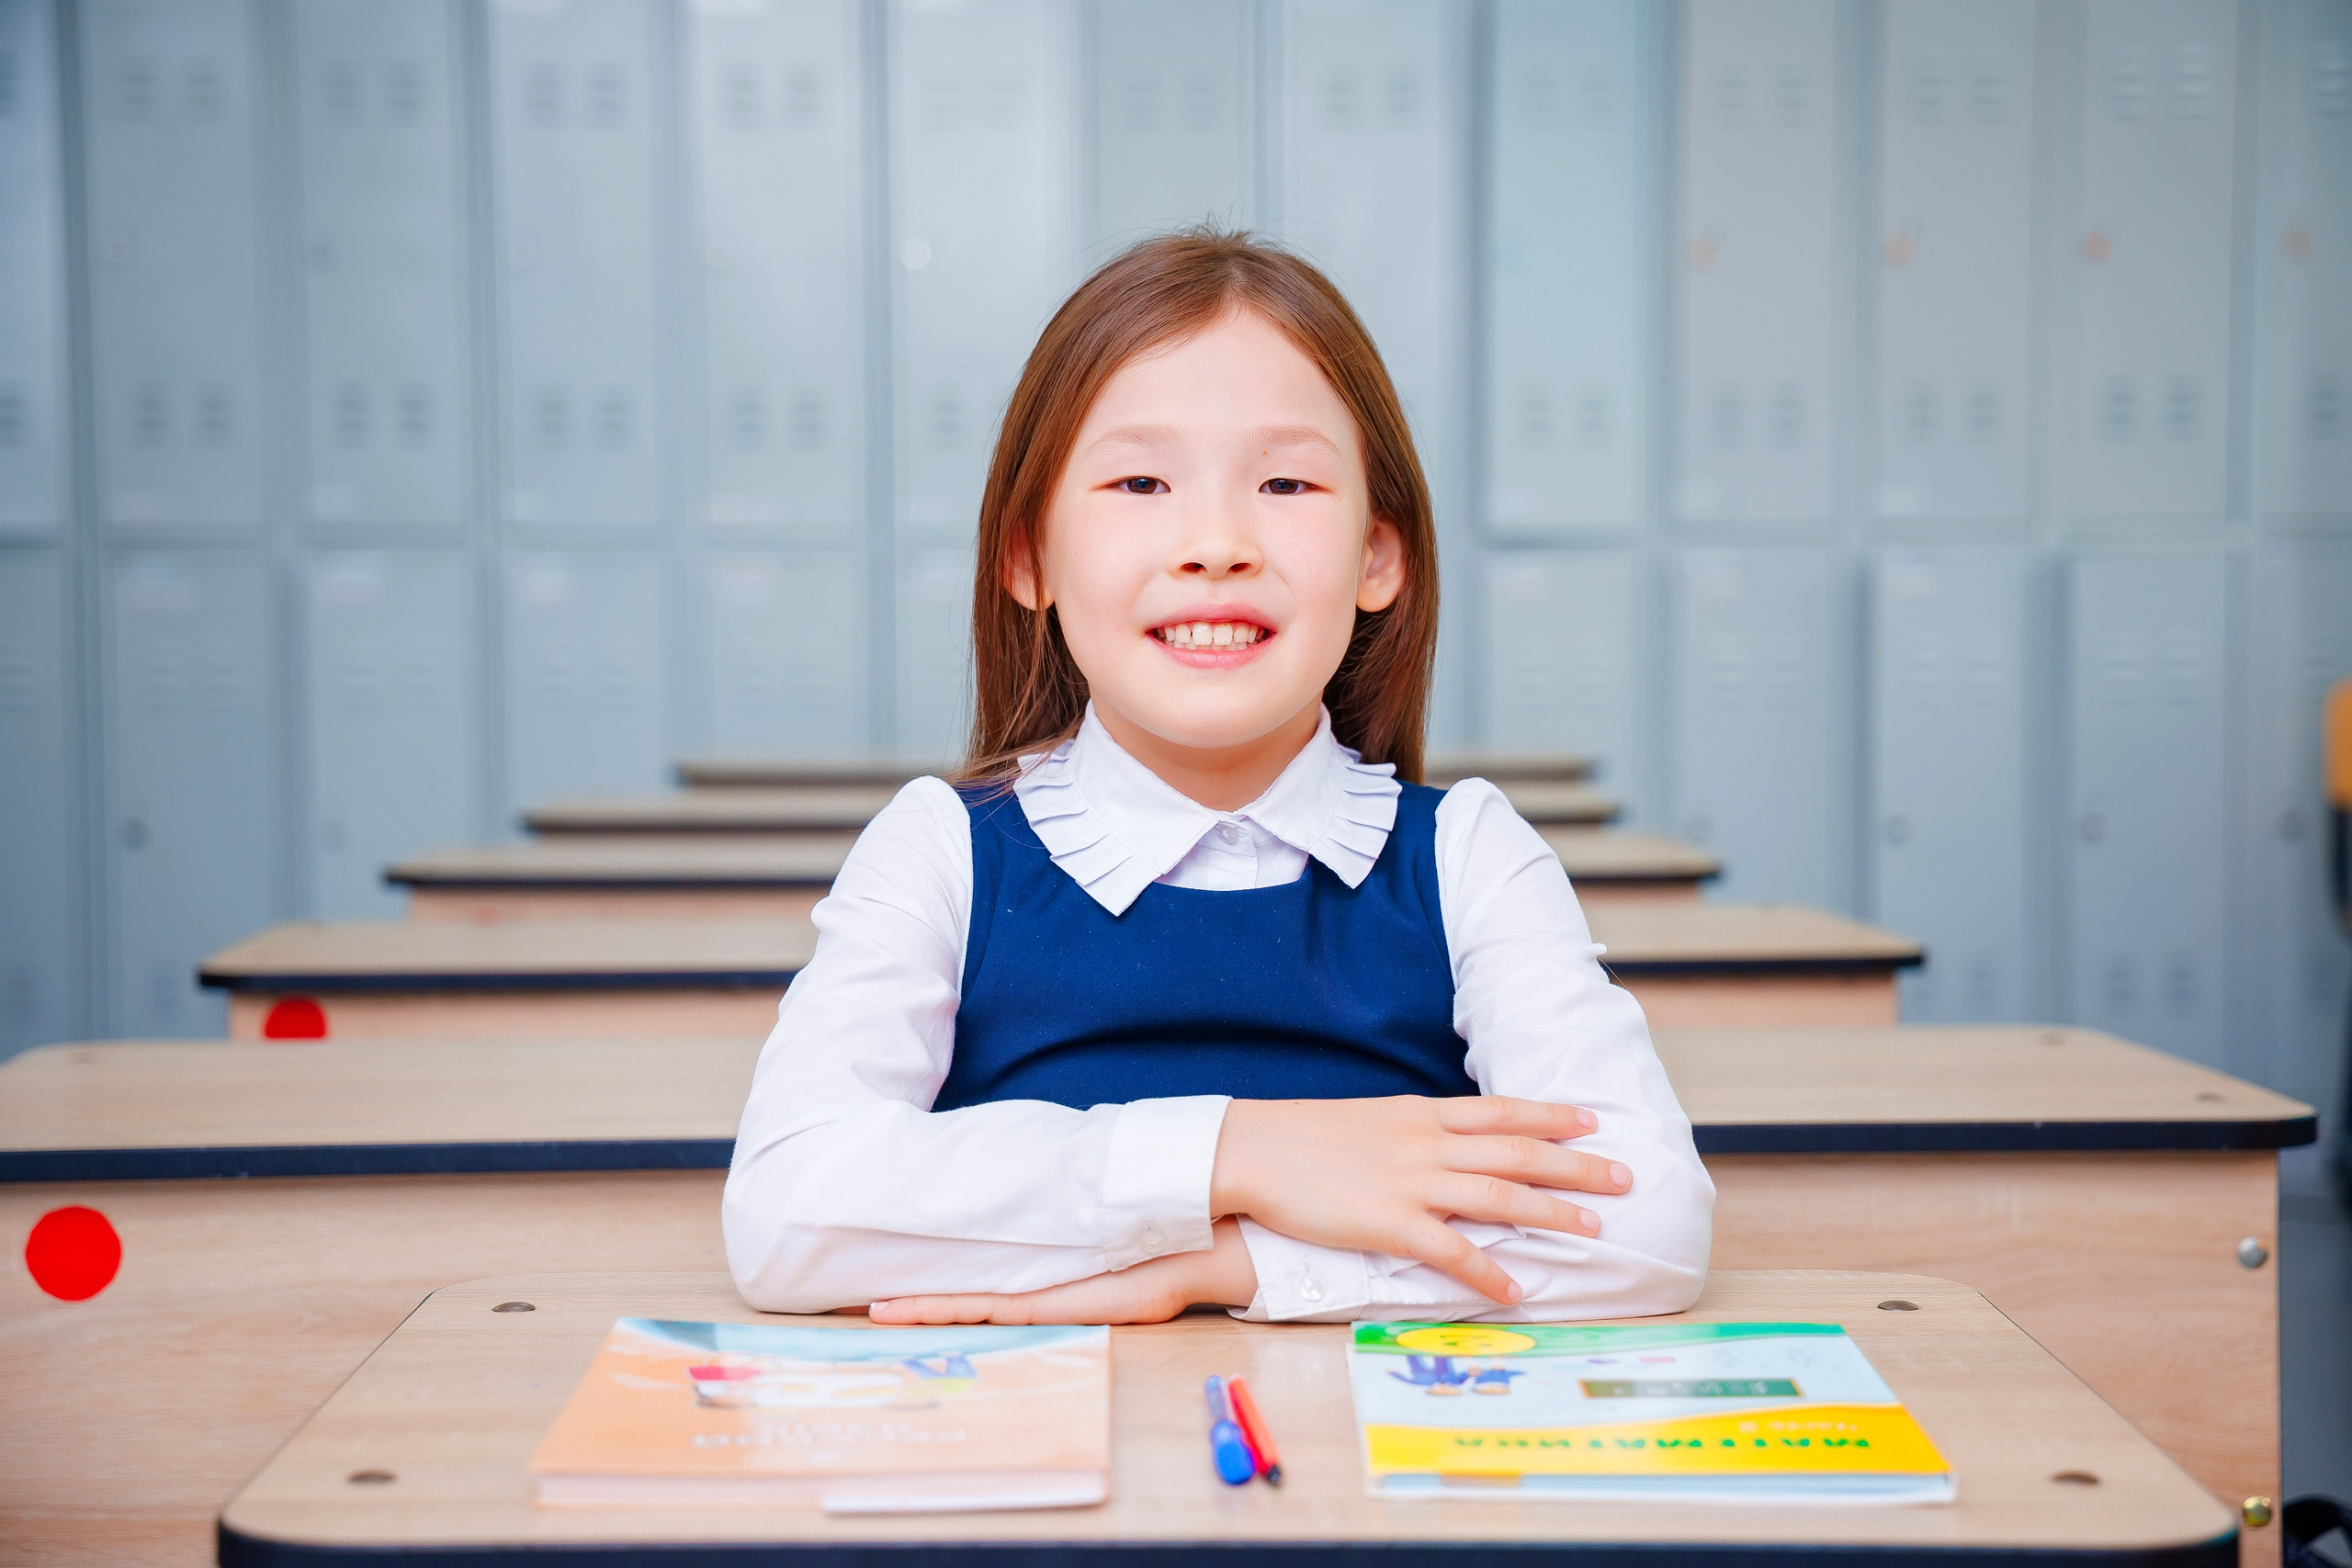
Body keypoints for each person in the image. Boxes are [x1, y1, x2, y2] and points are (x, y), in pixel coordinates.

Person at [724, 229, 1713, 1325]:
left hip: (1359, 1477)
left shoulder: (1467, 856)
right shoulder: (943, 848)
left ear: (1378, 557)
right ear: (1028, 559)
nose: (1215, 541)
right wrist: (1238, 1153)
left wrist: (1225, 1267)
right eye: (1139, 480)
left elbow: (1646, 1224)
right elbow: (787, 1213)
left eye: (1285, 481)